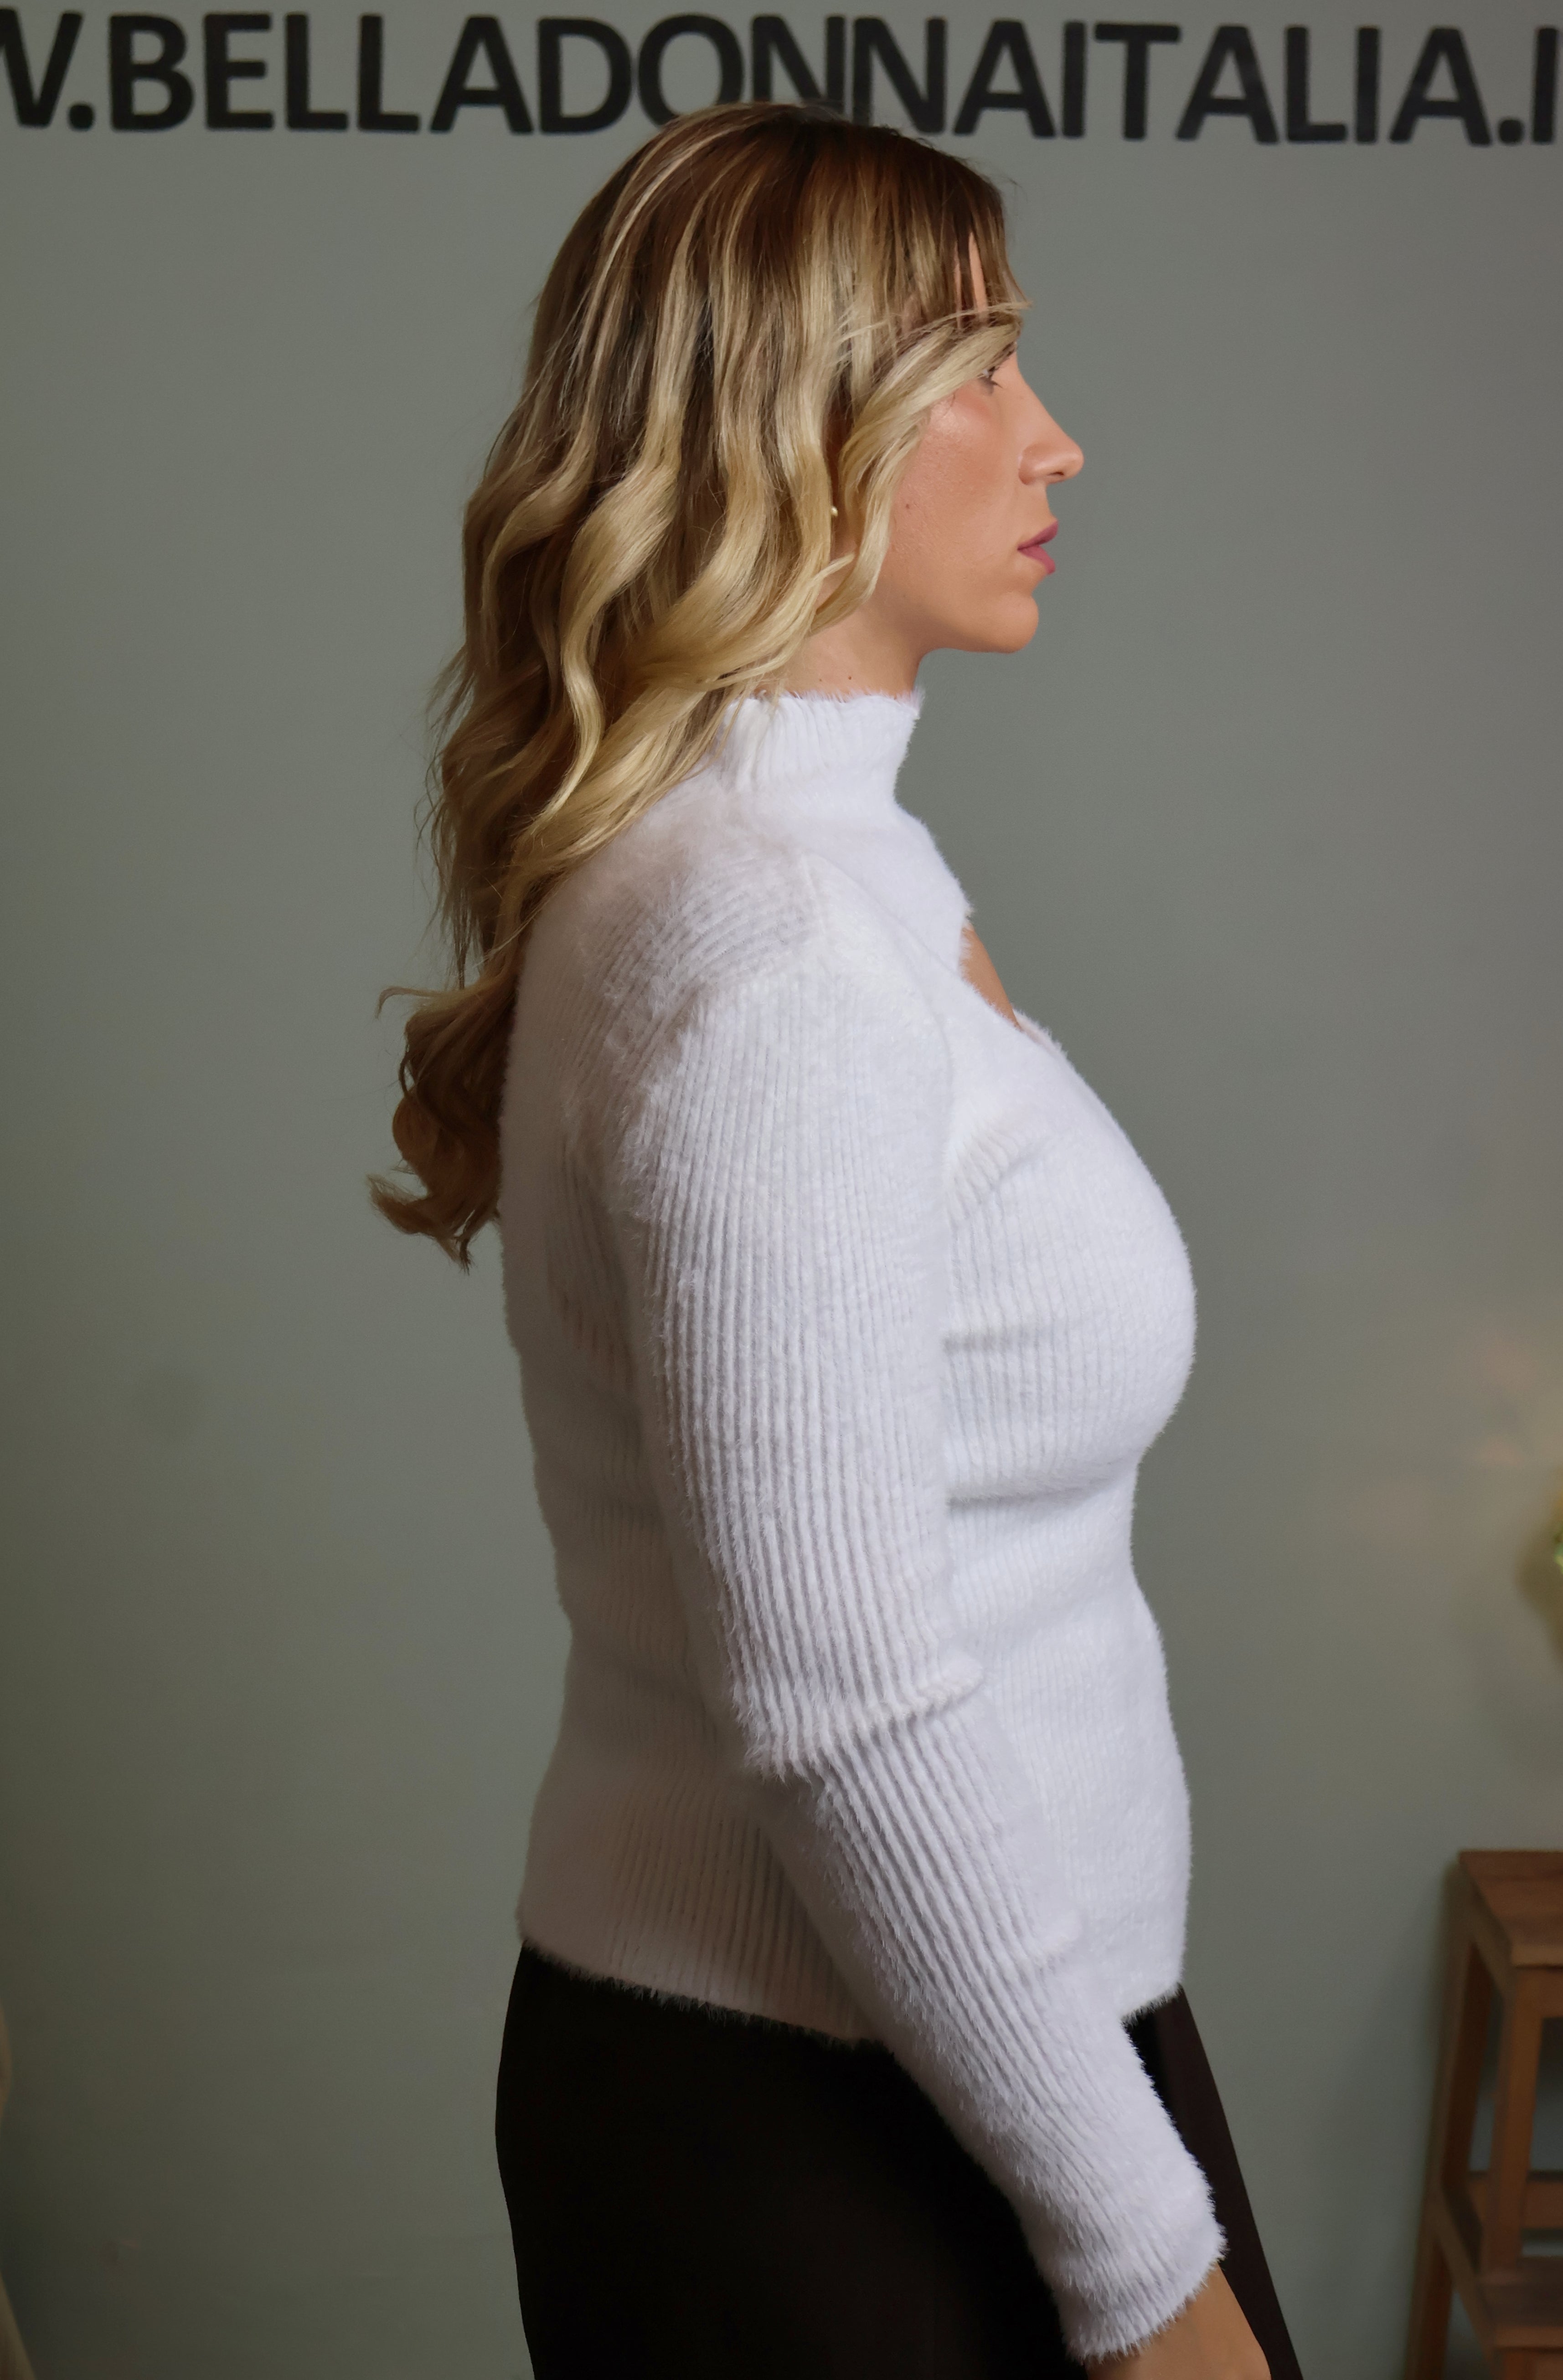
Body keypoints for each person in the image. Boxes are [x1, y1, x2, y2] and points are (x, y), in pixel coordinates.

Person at [374, 101, 1302, 2380]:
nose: (1053, 437)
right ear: (793, 422)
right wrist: (1144, 2273)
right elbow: (838, 1691)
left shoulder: (812, 877)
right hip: (832, 2112)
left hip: (960, 2052)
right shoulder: (775, 947)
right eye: (978, 368)